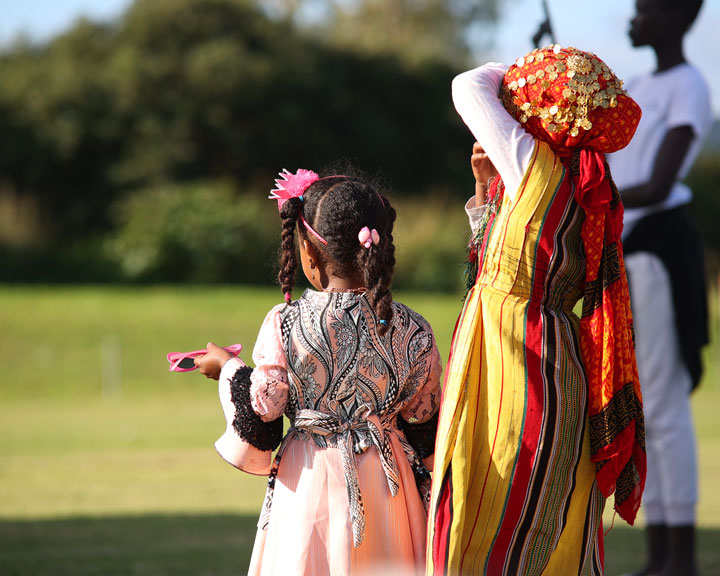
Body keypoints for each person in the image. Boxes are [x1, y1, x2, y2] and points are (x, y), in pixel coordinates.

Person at [426, 45, 646, 575]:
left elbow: (467, 85)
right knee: (548, 499)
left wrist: (521, 70)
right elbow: (506, 254)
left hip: (509, 350)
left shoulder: (530, 161)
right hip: (556, 357)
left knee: (487, 488)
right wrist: (483, 189)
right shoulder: (588, 185)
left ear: (548, 107)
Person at [194, 168, 443, 576]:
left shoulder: (286, 322)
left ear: (309, 253)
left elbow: (262, 418)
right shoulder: (414, 329)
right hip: (389, 488)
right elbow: (425, 423)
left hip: (309, 479)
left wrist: (227, 367)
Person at [606, 1, 712, 574]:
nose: (634, 17)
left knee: (665, 408)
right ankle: (659, 556)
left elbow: (660, 180)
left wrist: (598, 206)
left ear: (676, 16)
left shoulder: (689, 86)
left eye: (646, 9)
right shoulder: (640, 83)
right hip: (630, 254)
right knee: (646, 409)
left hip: (660, 253)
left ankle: (681, 558)